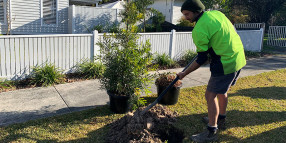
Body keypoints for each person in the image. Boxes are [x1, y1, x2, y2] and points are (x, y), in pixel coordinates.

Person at [177, 0, 246, 142]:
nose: (186, 17)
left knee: (210, 96)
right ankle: (220, 118)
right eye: (184, 14)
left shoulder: (199, 29)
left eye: (187, 14)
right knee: (222, 91)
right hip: (238, 57)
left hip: (225, 63)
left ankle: (211, 131)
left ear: (196, 11)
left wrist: (184, 74)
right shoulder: (216, 14)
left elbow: (201, 58)